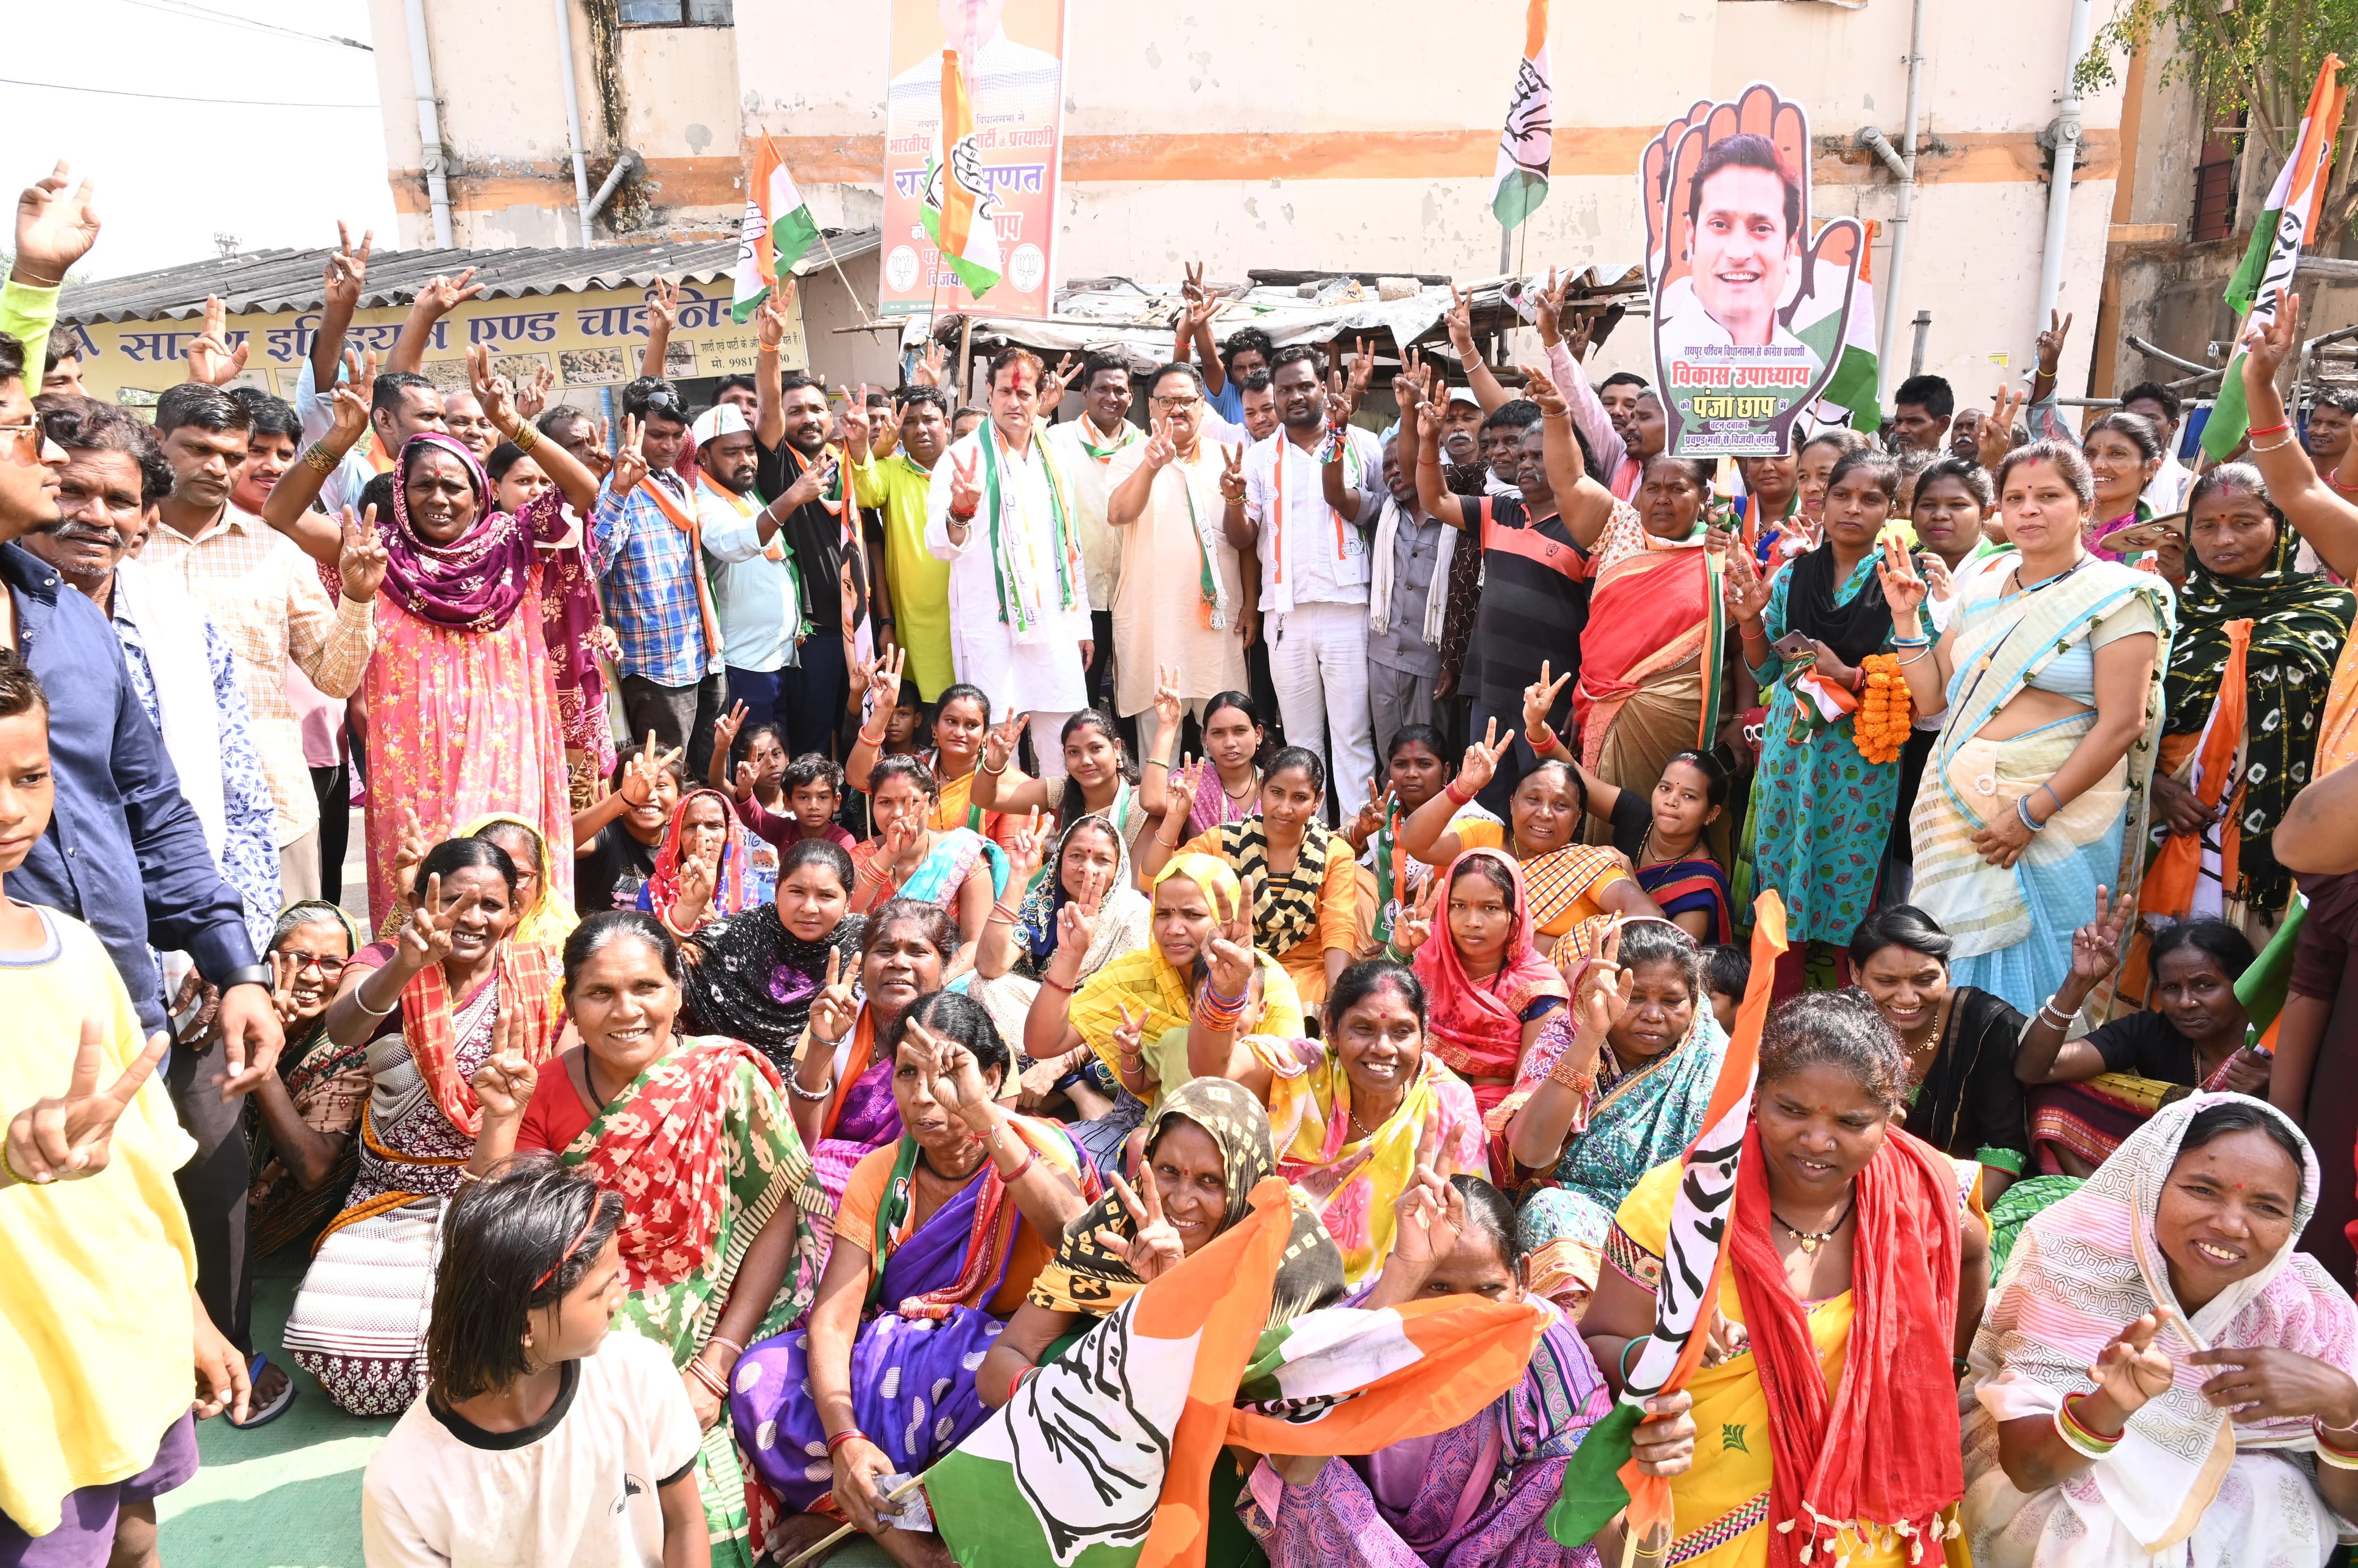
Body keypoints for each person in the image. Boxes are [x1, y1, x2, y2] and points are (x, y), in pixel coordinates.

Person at [468, 911, 833, 1567]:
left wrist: (714, 1367)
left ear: (677, 993)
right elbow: (501, 1225)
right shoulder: (542, 1089)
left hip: (721, 1302)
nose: (625, 1010)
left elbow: (775, 1216)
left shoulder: (727, 1074)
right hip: (584, 1302)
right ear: (571, 1006)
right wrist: (501, 1119)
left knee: (700, 1506)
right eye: (600, 993)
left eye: (645, 987)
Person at [1581, 989, 1991, 1568]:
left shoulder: (1922, 1190)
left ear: (1891, 1117)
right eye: (1791, 1110)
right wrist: (1664, 1356)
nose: (1817, 1141)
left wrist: (1939, 1372)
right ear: (1755, 1099)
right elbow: (1596, 1346)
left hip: (1870, 1525)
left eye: (1851, 1122)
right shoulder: (1678, 1205)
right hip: (1710, 1506)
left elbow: (1970, 1253)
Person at [0, 328, 282, 1133]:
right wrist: (33, 282)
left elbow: (157, 808)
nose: (51, 467)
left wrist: (237, 966)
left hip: (123, 996)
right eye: (26, 432)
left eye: (118, 500)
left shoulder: (74, 624)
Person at [0, 651, 246, 1565]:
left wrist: (188, 1315)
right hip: (23, 1377)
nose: (10, 810)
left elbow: (141, 1165)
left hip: (122, 1335)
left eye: (30, 777)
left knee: (136, 1536)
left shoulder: (72, 947)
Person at [728, 993, 1093, 1567]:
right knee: (759, 1377)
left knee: (1028, 1389)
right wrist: (845, 1438)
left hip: (991, 1368)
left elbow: (1076, 1233)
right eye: (906, 1073)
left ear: (991, 1075)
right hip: (892, 1372)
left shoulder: (1035, 1146)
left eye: (946, 1072)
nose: (923, 1095)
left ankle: (879, 1514)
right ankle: (899, 1532)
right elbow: (833, 1316)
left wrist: (983, 1116)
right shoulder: (882, 1172)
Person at [269, 354, 600, 925]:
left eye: (454, 485)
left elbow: (583, 489)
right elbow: (281, 512)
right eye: (422, 485)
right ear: (401, 491)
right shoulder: (378, 553)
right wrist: (343, 437)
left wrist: (514, 426)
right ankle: (419, 1003)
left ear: (479, 493)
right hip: (412, 767)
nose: (439, 498)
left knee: (507, 879)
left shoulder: (515, 544)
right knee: (425, 893)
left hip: (508, 755)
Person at [1961, 1096, 2358, 1568]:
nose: (2231, 1224)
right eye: (2203, 1190)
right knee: (2102, 1522)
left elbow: (2349, 1510)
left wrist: (2345, 1412)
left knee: (2272, 1491)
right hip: (2061, 1484)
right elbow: (2028, 1470)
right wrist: (2110, 1404)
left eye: (2267, 1207)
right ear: (2151, 1182)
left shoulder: (2306, 1310)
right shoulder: (2075, 1259)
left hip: (2231, 1517)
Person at [982, 1078, 1346, 1568]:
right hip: (1089, 1459)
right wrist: (1069, 1403)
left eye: (1210, 1181)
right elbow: (997, 1366)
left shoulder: (1295, 1262)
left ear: (1247, 1183)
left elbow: (1284, 1455)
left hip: (1218, 1493)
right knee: (1064, 1353)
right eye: (1168, 1171)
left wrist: (1176, 1298)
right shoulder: (1116, 1226)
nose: (1179, 1200)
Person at [1244, 1174, 1693, 1568]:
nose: (1463, 1314)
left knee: (1566, 1472)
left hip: (1494, 1552)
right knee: (1307, 1462)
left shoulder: (1547, 1349)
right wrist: (1400, 1280)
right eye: (1437, 1287)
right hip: (1362, 1546)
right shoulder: (1380, 1315)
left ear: (1523, 1280)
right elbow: (1296, 1466)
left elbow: (1618, 1552)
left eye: (1488, 1290)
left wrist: (1649, 1473)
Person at [1885, 441, 2172, 1014]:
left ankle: (2035, 1093)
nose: (2028, 510)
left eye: (2047, 496)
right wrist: (1904, 617)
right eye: (2014, 498)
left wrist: (2030, 812)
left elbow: (2122, 723)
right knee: (1950, 968)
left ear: (2084, 505)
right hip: (1962, 817)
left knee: (2045, 980)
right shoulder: (1985, 583)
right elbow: (1933, 696)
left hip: (2060, 822)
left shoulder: (2119, 595)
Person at [282, 837, 560, 1414]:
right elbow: (343, 1030)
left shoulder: (538, 973)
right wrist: (409, 964)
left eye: (490, 905)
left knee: (524, 1320)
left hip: (496, 1188)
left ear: (515, 911)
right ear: (420, 901)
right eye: (454, 901)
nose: (472, 919)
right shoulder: (385, 960)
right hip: (391, 1194)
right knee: (344, 1352)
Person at [24, 394, 281, 955]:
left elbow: (240, 801)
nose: (96, 516)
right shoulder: (11, 619)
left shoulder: (182, 622)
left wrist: (231, 947)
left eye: (119, 500)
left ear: (147, 516)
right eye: (74, 490)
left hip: (168, 938)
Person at [359, 1162, 708, 1568]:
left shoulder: (640, 1375)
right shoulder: (402, 1484)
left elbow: (684, 1522)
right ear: (525, 1325)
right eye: (600, 1291)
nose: (620, 1298)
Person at [143, 381, 380, 904]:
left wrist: (359, 599)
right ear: (157, 443)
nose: (217, 468)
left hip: (274, 807)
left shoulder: (279, 552)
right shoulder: (122, 547)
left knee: (285, 967)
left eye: (231, 456)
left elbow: (335, 677)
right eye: (198, 450)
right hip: (150, 807)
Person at [1725, 448, 1928, 971]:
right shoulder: (1794, 576)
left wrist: (1850, 676)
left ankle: (1848, 1006)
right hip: (1790, 751)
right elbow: (1769, 670)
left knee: (1849, 879)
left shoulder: (1901, 580)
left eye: (1871, 499)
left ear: (1892, 509)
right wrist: (1749, 621)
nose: (1852, 508)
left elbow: (1919, 681)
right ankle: (1779, 1005)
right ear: (1822, 500)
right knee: (1782, 876)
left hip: (1859, 759)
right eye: (1842, 495)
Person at [1188, 957, 1488, 1283]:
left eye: (1402, 1032)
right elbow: (1213, 1069)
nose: (1384, 1048)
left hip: (1396, 1292)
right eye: (1363, 1029)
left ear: (1424, 1035)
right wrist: (1225, 993)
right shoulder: (1304, 1069)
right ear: (1331, 1028)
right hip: (1272, 1279)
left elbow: (1474, 1227)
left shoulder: (1446, 1102)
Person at [2144, 465, 2351, 934]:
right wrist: (2154, 784)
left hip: (2283, 830)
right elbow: (2117, 714)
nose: (2223, 539)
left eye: (2243, 522)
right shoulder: (2163, 611)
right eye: (2206, 525)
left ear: (2281, 526)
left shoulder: (2331, 611)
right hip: (2164, 818)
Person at [1406, 360, 1606, 815]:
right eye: (1525, 455)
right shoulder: (1499, 511)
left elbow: (1603, 623)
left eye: (1541, 454)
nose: (1527, 462)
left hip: (1548, 702)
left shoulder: (1591, 530)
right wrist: (1426, 439)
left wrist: (1584, 696)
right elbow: (1435, 499)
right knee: (1487, 806)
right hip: (1491, 690)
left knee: (1544, 806)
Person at [1498, 920, 1730, 1311]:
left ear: (1694, 999)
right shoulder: (1565, 1034)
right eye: (1634, 996)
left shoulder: (1712, 1057)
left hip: (1675, 1227)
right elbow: (1529, 1153)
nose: (1653, 1015)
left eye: (1672, 1000)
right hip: (1583, 1215)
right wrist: (1590, 1034)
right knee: (1549, 1212)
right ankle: (1573, 1354)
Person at [1025, 853, 1305, 1165]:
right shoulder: (1138, 973)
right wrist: (1069, 955)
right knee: (1045, 1163)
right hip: (1145, 1120)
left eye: (1191, 915)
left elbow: (1289, 1090)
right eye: (1163, 914)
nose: (1174, 928)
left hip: (1245, 1138)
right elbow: (1043, 1042)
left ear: (1222, 919)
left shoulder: (1260, 980)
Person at [1226, 345, 1382, 810]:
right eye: (1286, 389)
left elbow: (1381, 516)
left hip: (1347, 610)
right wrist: (1234, 500)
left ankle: (1362, 852)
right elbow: (1242, 538)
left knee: (1352, 737)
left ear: (1322, 386)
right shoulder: (1257, 459)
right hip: (1285, 617)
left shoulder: (1363, 445)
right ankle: (1310, 847)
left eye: (1304, 385)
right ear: (1274, 396)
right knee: (1301, 742)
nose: (1295, 396)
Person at [927, 349, 1092, 779]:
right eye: (1005, 392)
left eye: (1024, 393)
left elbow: (1071, 548)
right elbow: (940, 544)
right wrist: (960, 512)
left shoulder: (1055, 458)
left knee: (1064, 736)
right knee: (999, 738)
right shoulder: (961, 458)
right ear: (989, 393)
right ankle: (1009, 837)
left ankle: (1062, 832)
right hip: (992, 627)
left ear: (1041, 398)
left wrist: (1083, 624)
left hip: (1055, 626)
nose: (1014, 402)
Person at [2016, 908, 2266, 1176]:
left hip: (2247, 1173)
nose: (2186, 1002)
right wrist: (2078, 983)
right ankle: (2102, 1197)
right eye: (2171, 988)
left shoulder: (2274, 1043)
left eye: (2205, 985)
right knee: (2056, 1093)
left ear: (2243, 983)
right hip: (2153, 1171)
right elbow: (2037, 1070)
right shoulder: (2151, 1029)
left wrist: (2272, 1092)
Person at [1105, 362, 1252, 760]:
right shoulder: (1132, 456)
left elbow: (1246, 542)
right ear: (1149, 407)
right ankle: (1159, 822)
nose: (1177, 409)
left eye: (1187, 400)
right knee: (1160, 749)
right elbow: (1118, 513)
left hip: (1216, 626)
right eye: (1167, 400)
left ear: (1203, 406)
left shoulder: (1226, 458)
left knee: (1227, 738)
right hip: (1156, 626)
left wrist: (1252, 607)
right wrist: (1152, 466)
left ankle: (1227, 821)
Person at [1399, 740, 1663, 954]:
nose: (1545, 814)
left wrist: (1568, 953)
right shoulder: (1483, 836)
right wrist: (1461, 789)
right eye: (1533, 799)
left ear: (1578, 817)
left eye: (1561, 805)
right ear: (1513, 803)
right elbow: (1416, 842)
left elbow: (1648, 914)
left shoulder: (1588, 866)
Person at [586, 377, 727, 778]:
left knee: (709, 773)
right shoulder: (615, 488)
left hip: (705, 657)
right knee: (665, 779)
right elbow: (593, 563)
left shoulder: (678, 483)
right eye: (658, 435)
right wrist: (618, 492)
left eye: (677, 435)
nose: (668, 445)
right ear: (631, 427)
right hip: (656, 666)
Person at [1143, 745, 1359, 1004]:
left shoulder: (1334, 853)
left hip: (1308, 976)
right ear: (1261, 788)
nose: (1285, 808)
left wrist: (1336, 1004)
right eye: (1277, 793)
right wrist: (1175, 818)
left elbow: (1339, 929)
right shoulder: (1223, 842)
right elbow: (1152, 878)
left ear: (1318, 801)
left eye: (1299, 798)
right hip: (1233, 966)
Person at [1570, 454, 1728, 802]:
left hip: (1679, 719)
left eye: (1677, 489)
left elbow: (1736, 645)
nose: (1662, 499)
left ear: (1704, 497)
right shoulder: (1623, 538)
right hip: (1602, 704)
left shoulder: (1722, 554)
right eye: (1653, 488)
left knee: (1674, 818)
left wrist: (1743, 713)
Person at [1848, 905, 2030, 1199]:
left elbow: (2002, 1149)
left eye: (1925, 980)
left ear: (1947, 969)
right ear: (1856, 972)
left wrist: (1950, 1216)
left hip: (1962, 1195)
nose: (1907, 998)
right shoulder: (1836, 1027)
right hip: (1859, 1188)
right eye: (1887, 981)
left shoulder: (1985, 1024)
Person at [788, 898, 960, 1204]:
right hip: (828, 1179)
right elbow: (800, 1141)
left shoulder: (969, 1035)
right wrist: (822, 1044)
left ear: (945, 969)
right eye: (884, 950)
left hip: (927, 1191)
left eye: (917, 951)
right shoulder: (835, 1021)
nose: (899, 963)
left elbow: (978, 1149)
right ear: (864, 962)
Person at [1393, 848, 1568, 1119]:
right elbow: (1373, 1017)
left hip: (1493, 1124)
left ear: (1515, 913)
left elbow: (1531, 1092)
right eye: (1459, 906)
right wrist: (1400, 951)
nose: (1472, 922)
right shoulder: (1423, 955)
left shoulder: (1539, 989)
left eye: (1491, 908)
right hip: (1405, 1103)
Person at [493, 433, 616, 812]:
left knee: (585, 799)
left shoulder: (565, 530)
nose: (537, 491)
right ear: (495, 488)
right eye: (524, 481)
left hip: (573, 684)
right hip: (518, 684)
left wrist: (599, 629)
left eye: (546, 482)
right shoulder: (501, 536)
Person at [973, 812, 1149, 1078]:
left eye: (1101, 860)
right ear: (1059, 861)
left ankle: (1056, 1077)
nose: (1087, 869)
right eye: (1076, 856)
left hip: (1097, 1029)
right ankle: (1071, 1087)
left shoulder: (1134, 912)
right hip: (1043, 1021)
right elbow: (989, 966)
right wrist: (1019, 877)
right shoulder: (1043, 904)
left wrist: (1062, 1063)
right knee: (982, 985)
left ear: (1119, 867)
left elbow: (1125, 1001)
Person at [1322, 415, 1454, 767]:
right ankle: (1389, 821)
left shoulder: (1456, 516)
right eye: (1387, 466)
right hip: (1383, 658)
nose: (1393, 472)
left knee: (1427, 759)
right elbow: (1335, 494)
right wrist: (1336, 432)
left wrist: (1454, 662)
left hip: (1431, 663)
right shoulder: (1383, 509)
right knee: (1389, 758)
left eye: (1402, 463)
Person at [244, 900, 368, 1266]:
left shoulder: (347, 1053)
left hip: (293, 1236)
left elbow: (314, 1169)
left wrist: (261, 1059)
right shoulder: (236, 1012)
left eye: (332, 964)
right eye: (296, 957)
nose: (312, 976)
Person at [679, 835, 865, 1076]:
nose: (809, 907)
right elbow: (657, 972)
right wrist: (687, 908)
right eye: (797, 892)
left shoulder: (867, 943)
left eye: (826, 896)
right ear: (777, 891)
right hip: (734, 1086)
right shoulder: (738, 935)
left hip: (832, 1089)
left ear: (848, 901)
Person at [692, 401, 803, 738]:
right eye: (731, 452)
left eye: (750, 450)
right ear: (702, 458)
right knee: (754, 763)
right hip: (745, 665)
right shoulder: (702, 499)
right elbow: (732, 543)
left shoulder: (743, 491)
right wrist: (794, 497)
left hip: (780, 658)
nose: (745, 461)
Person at [1042, 352, 1142, 713]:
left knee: (1133, 692)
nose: (1111, 398)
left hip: (1131, 591)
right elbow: (1016, 450)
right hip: (1080, 596)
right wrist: (1041, 410)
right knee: (1081, 692)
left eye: (1120, 390)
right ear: (1084, 392)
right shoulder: (1057, 439)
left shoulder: (1146, 447)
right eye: (1102, 389)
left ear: (1131, 396)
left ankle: (1129, 766)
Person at [1346, 724, 1498, 955]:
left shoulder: (1471, 818)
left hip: (1452, 932)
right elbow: (1327, 851)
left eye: (1424, 764)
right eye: (1401, 765)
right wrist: (1361, 831)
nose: (1412, 773)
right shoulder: (1380, 810)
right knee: (1346, 875)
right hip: (1378, 929)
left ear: (1446, 771)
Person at [848, 386, 956, 701]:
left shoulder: (968, 468)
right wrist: (860, 444)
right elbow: (865, 491)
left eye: (930, 420)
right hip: (915, 620)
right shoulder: (891, 470)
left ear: (947, 425)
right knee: (928, 705)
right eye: (909, 422)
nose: (920, 429)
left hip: (969, 612)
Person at [848, 756, 1001, 976]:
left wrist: (935, 982)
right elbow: (845, 919)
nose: (898, 813)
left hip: (949, 978)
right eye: (885, 802)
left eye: (910, 802)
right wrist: (888, 856)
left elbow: (976, 943)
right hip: (876, 976)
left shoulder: (964, 855)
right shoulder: (861, 859)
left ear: (933, 806)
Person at [849, 665, 1015, 847]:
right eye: (951, 721)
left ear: (985, 734)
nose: (959, 732)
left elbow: (1012, 860)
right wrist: (882, 711)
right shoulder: (913, 770)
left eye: (971, 725)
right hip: (910, 870)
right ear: (934, 728)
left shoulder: (1010, 784)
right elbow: (859, 779)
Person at [972, 706, 1160, 866]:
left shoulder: (1139, 806)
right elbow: (985, 799)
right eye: (1074, 752)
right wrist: (993, 765)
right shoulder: (1060, 790)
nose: (1085, 760)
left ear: (1117, 748)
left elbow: (1137, 887)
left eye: (1096, 749)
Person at [1140, 687, 1267, 840]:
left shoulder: (1274, 784)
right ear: (1205, 739)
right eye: (1218, 733)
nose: (1230, 743)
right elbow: (1151, 801)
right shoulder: (1193, 783)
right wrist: (1167, 726)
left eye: (1240, 730)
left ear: (1258, 734)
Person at [574, 740, 682, 916]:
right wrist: (624, 800)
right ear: (617, 791)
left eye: (661, 785)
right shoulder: (606, 834)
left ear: (680, 797)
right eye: (639, 785)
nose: (648, 794)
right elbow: (556, 843)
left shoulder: (681, 844)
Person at [634, 785, 758, 936]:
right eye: (691, 827)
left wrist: (715, 923)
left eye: (714, 826)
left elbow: (761, 958)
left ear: (730, 834)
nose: (702, 835)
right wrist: (688, 909)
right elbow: (647, 954)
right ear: (678, 835)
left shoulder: (757, 892)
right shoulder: (654, 890)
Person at [2079, 411, 2165, 564]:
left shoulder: (2164, 539)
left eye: (2117, 454)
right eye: (2090, 455)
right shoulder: (2054, 523)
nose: (2097, 465)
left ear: (2152, 468)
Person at [2118, 380, 2192, 511]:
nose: (2139, 426)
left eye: (2151, 419)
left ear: (2173, 427)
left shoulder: (2190, 487)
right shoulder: (2103, 476)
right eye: (2131, 418)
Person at [1890, 374, 1955, 456]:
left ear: (1942, 424)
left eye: (1914, 421)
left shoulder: (1952, 469)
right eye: (1899, 421)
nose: (1901, 429)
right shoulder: (1882, 468)